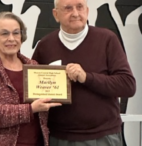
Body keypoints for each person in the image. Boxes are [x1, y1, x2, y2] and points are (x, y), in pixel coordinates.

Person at [32, 0, 136, 145]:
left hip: (103, 137)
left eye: (80, 7)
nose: (75, 13)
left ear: (87, 11)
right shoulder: (44, 46)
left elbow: (127, 85)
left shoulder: (107, 39)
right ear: (56, 14)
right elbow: (32, 89)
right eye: (68, 8)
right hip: (58, 138)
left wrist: (86, 77)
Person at [0, 11, 61, 146]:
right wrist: (30, 110)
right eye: (5, 33)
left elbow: (50, 99)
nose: (11, 38)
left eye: (16, 33)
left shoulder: (33, 66)